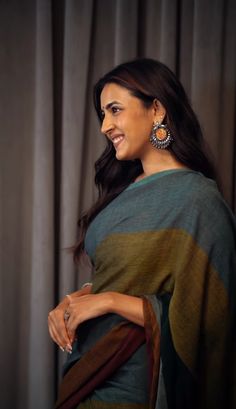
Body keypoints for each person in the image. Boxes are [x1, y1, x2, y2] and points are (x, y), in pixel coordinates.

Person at [48, 58, 236, 409]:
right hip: (88, 370)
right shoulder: (124, 191)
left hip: (139, 388)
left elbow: (213, 320)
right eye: (103, 114)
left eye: (114, 110)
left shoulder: (199, 201)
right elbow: (124, 274)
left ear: (157, 110)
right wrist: (76, 300)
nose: (105, 126)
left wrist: (108, 301)